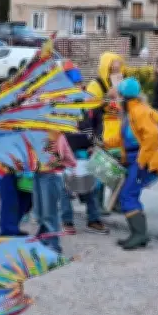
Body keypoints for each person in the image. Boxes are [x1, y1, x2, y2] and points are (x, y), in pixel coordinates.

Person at [114, 77, 158, 250]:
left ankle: (139, 234)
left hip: (141, 161)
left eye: (118, 96)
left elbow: (151, 136)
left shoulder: (138, 111)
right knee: (131, 194)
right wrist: (104, 142)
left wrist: (141, 161)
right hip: (135, 160)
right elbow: (125, 137)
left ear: (124, 96)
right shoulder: (133, 111)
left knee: (127, 195)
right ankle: (139, 234)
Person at [62, 100, 110, 235]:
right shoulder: (61, 104)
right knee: (66, 187)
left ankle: (93, 220)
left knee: (89, 185)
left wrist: (95, 144)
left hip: (85, 152)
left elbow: (98, 126)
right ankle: (67, 221)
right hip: (67, 151)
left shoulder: (91, 105)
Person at [86, 52, 126, 213]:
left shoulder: (121, 83)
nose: (116, 69)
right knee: (102, 170)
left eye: (118, 65)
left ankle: (116, 201)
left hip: (119, 134)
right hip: (103, 131)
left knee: (120, 170)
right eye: (112, 66)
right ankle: (97, 204)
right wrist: (107, 97)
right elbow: (90, 107)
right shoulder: (95, 85)